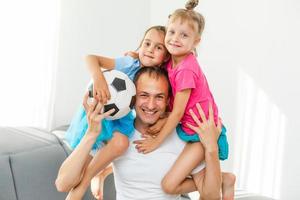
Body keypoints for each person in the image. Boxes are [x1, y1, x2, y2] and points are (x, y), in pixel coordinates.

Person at [55, 67, 235, 200]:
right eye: (144, 95)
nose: (150, 105)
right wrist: (91, 134)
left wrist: (211, 149)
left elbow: (210, 197)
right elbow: (63, 183)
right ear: (132, 97)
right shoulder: (118, 137)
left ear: (168, 101)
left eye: (159, 97)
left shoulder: (182, 138)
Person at [133, 0, 231, 198]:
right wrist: (136, 55)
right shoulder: (173, 60)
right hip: (187, 128)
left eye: (184, 35)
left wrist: (157, 142)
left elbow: (177, 112)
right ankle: (224, 179)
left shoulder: (186, 68)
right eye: (171, 32)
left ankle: (225, 181)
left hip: (200, 132)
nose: (175, 39)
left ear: (196, 42)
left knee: (171, 186)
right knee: (173, 185)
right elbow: (156, 59)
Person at [61, 25, 169, 198]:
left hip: (120, 119)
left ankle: (89, 179)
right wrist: (98, 78)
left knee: (123, 143)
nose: (150, 50)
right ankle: (86, 180)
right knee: (69, 180)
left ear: (165, 57)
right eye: (147, 44)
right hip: (100, 114)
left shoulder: (157, 77)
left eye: (158, 47)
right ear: (140, 45)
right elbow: (90, 58)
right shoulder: (129, 63)